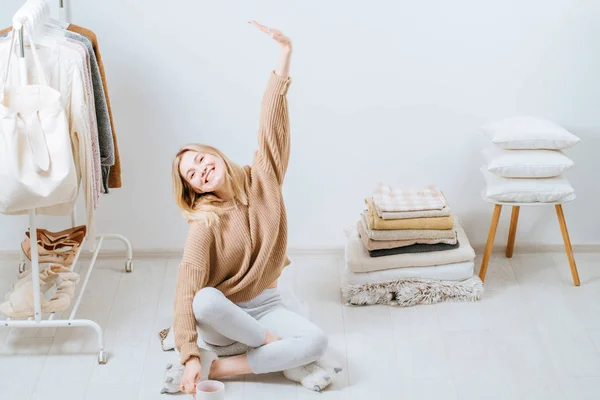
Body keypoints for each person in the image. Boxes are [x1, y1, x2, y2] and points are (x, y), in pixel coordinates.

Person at [171, 21, 329, 395]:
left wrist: (285, 55)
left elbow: (270, 126)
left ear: (215, 155)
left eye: (201, 159)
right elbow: (187, 288)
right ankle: (275, 353)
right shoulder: (204, 221)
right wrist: (190, 354)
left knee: (317, 341)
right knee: (205, 299)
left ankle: (225, 368)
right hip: (226, 320)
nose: (201, 169)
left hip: (268, 306)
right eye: (192, 174)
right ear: (193, 189)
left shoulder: (263, 178)